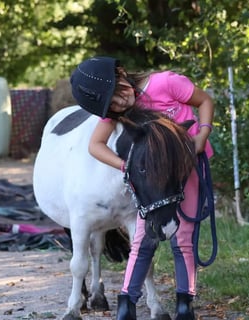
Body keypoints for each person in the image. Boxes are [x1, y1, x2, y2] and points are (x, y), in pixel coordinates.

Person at [70, 56, 215, 320]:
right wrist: (126, 166)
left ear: (121, 73)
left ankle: (185, 304)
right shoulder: (117, 111)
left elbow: (204, 101)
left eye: (117, 95)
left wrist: (202, 135)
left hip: (187, 167)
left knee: (184, 236)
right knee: (143, 237)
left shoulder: (167, 83)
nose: (119, 104)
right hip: (154, 179)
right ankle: (127, 304)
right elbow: (95, 146)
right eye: (111, 106)